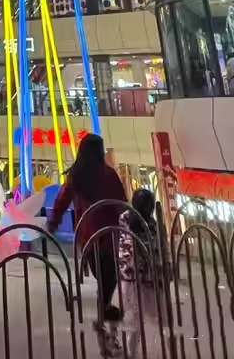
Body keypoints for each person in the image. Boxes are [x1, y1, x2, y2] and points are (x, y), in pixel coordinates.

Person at [48, 133, 127, 357]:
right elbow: (122, 203)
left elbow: (62, 200)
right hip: (110, 236)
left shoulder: (76, 176)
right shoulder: (109, 175)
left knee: (104, 279)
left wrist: (53, 223)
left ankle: (104, 322)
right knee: (109, 280)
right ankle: (105, 321)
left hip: (88, 238)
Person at [118, 189, 165, 358]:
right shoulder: (127, 221)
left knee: (159, 317)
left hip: (150, 278)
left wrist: (163, 267)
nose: (148, 211)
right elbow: (127, 250)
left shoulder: (153, 224)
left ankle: (167, 349)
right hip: (133, 279)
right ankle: (131, 352)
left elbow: (160, 247)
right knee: (135, 320)